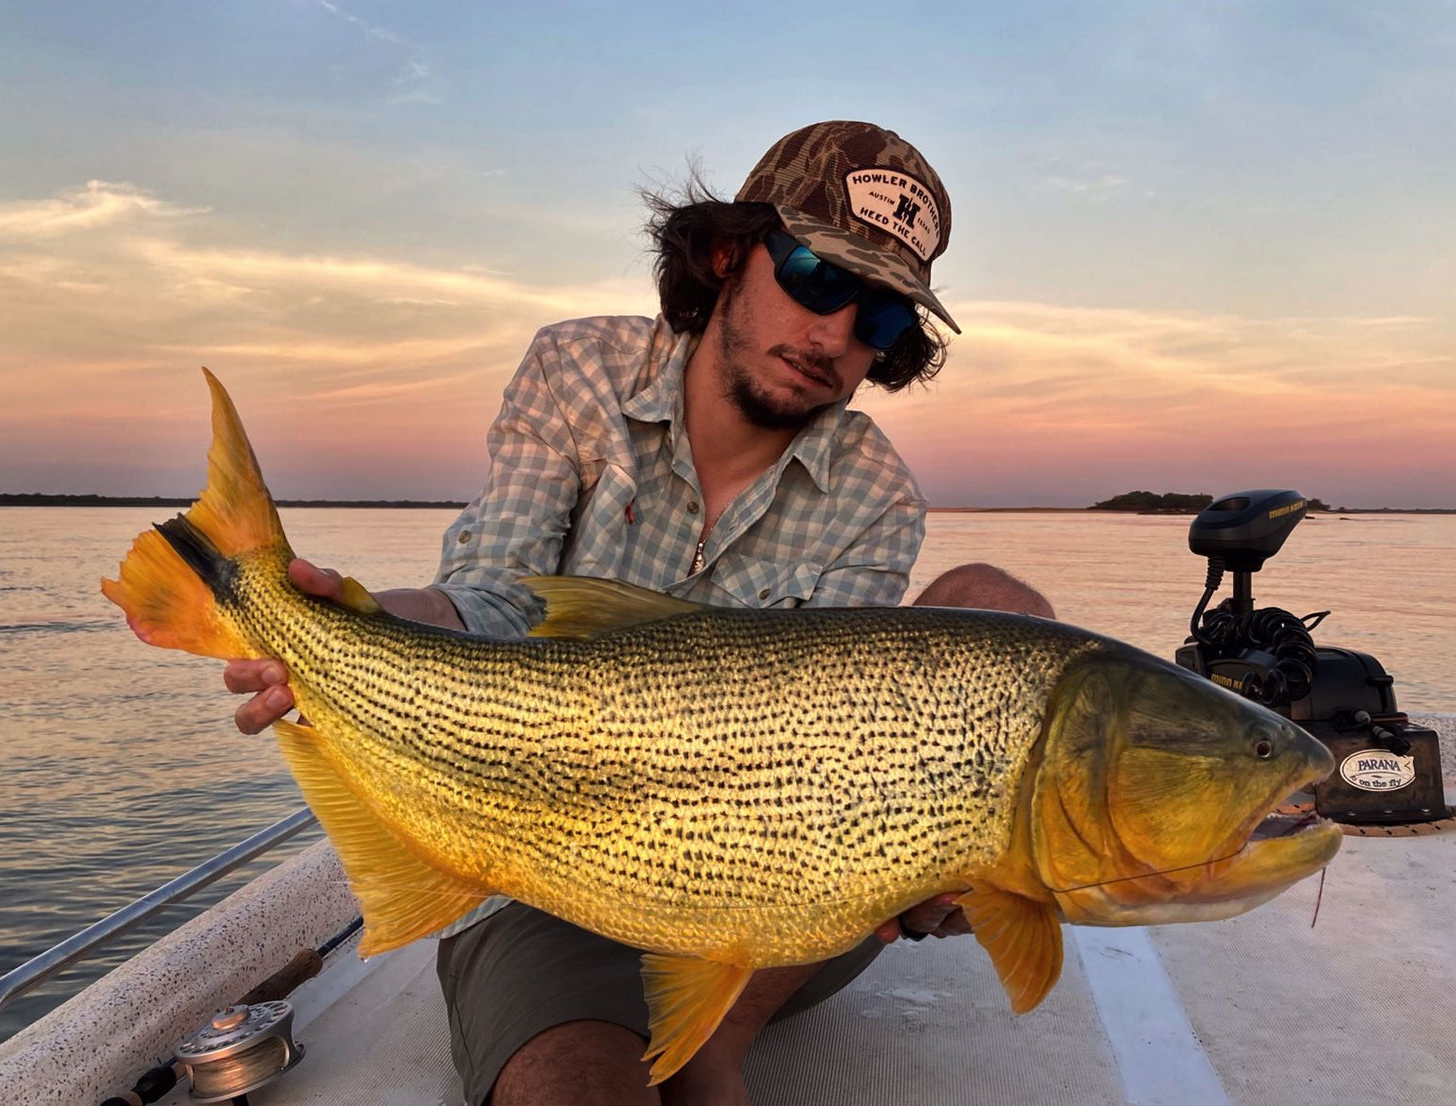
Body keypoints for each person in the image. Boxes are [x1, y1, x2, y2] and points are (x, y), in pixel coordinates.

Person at [225, 120, 1053, 1106]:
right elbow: (498, 593)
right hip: (544, 851)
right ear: (725, 253)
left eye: (877, 314)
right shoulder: (578, 372)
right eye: (815, 276)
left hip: (779, 881)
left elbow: (837, 740)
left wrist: (951, 861)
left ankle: (717, 1050)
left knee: (997, 608)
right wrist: (354, 624)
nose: (835, 334)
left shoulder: (877, 490)